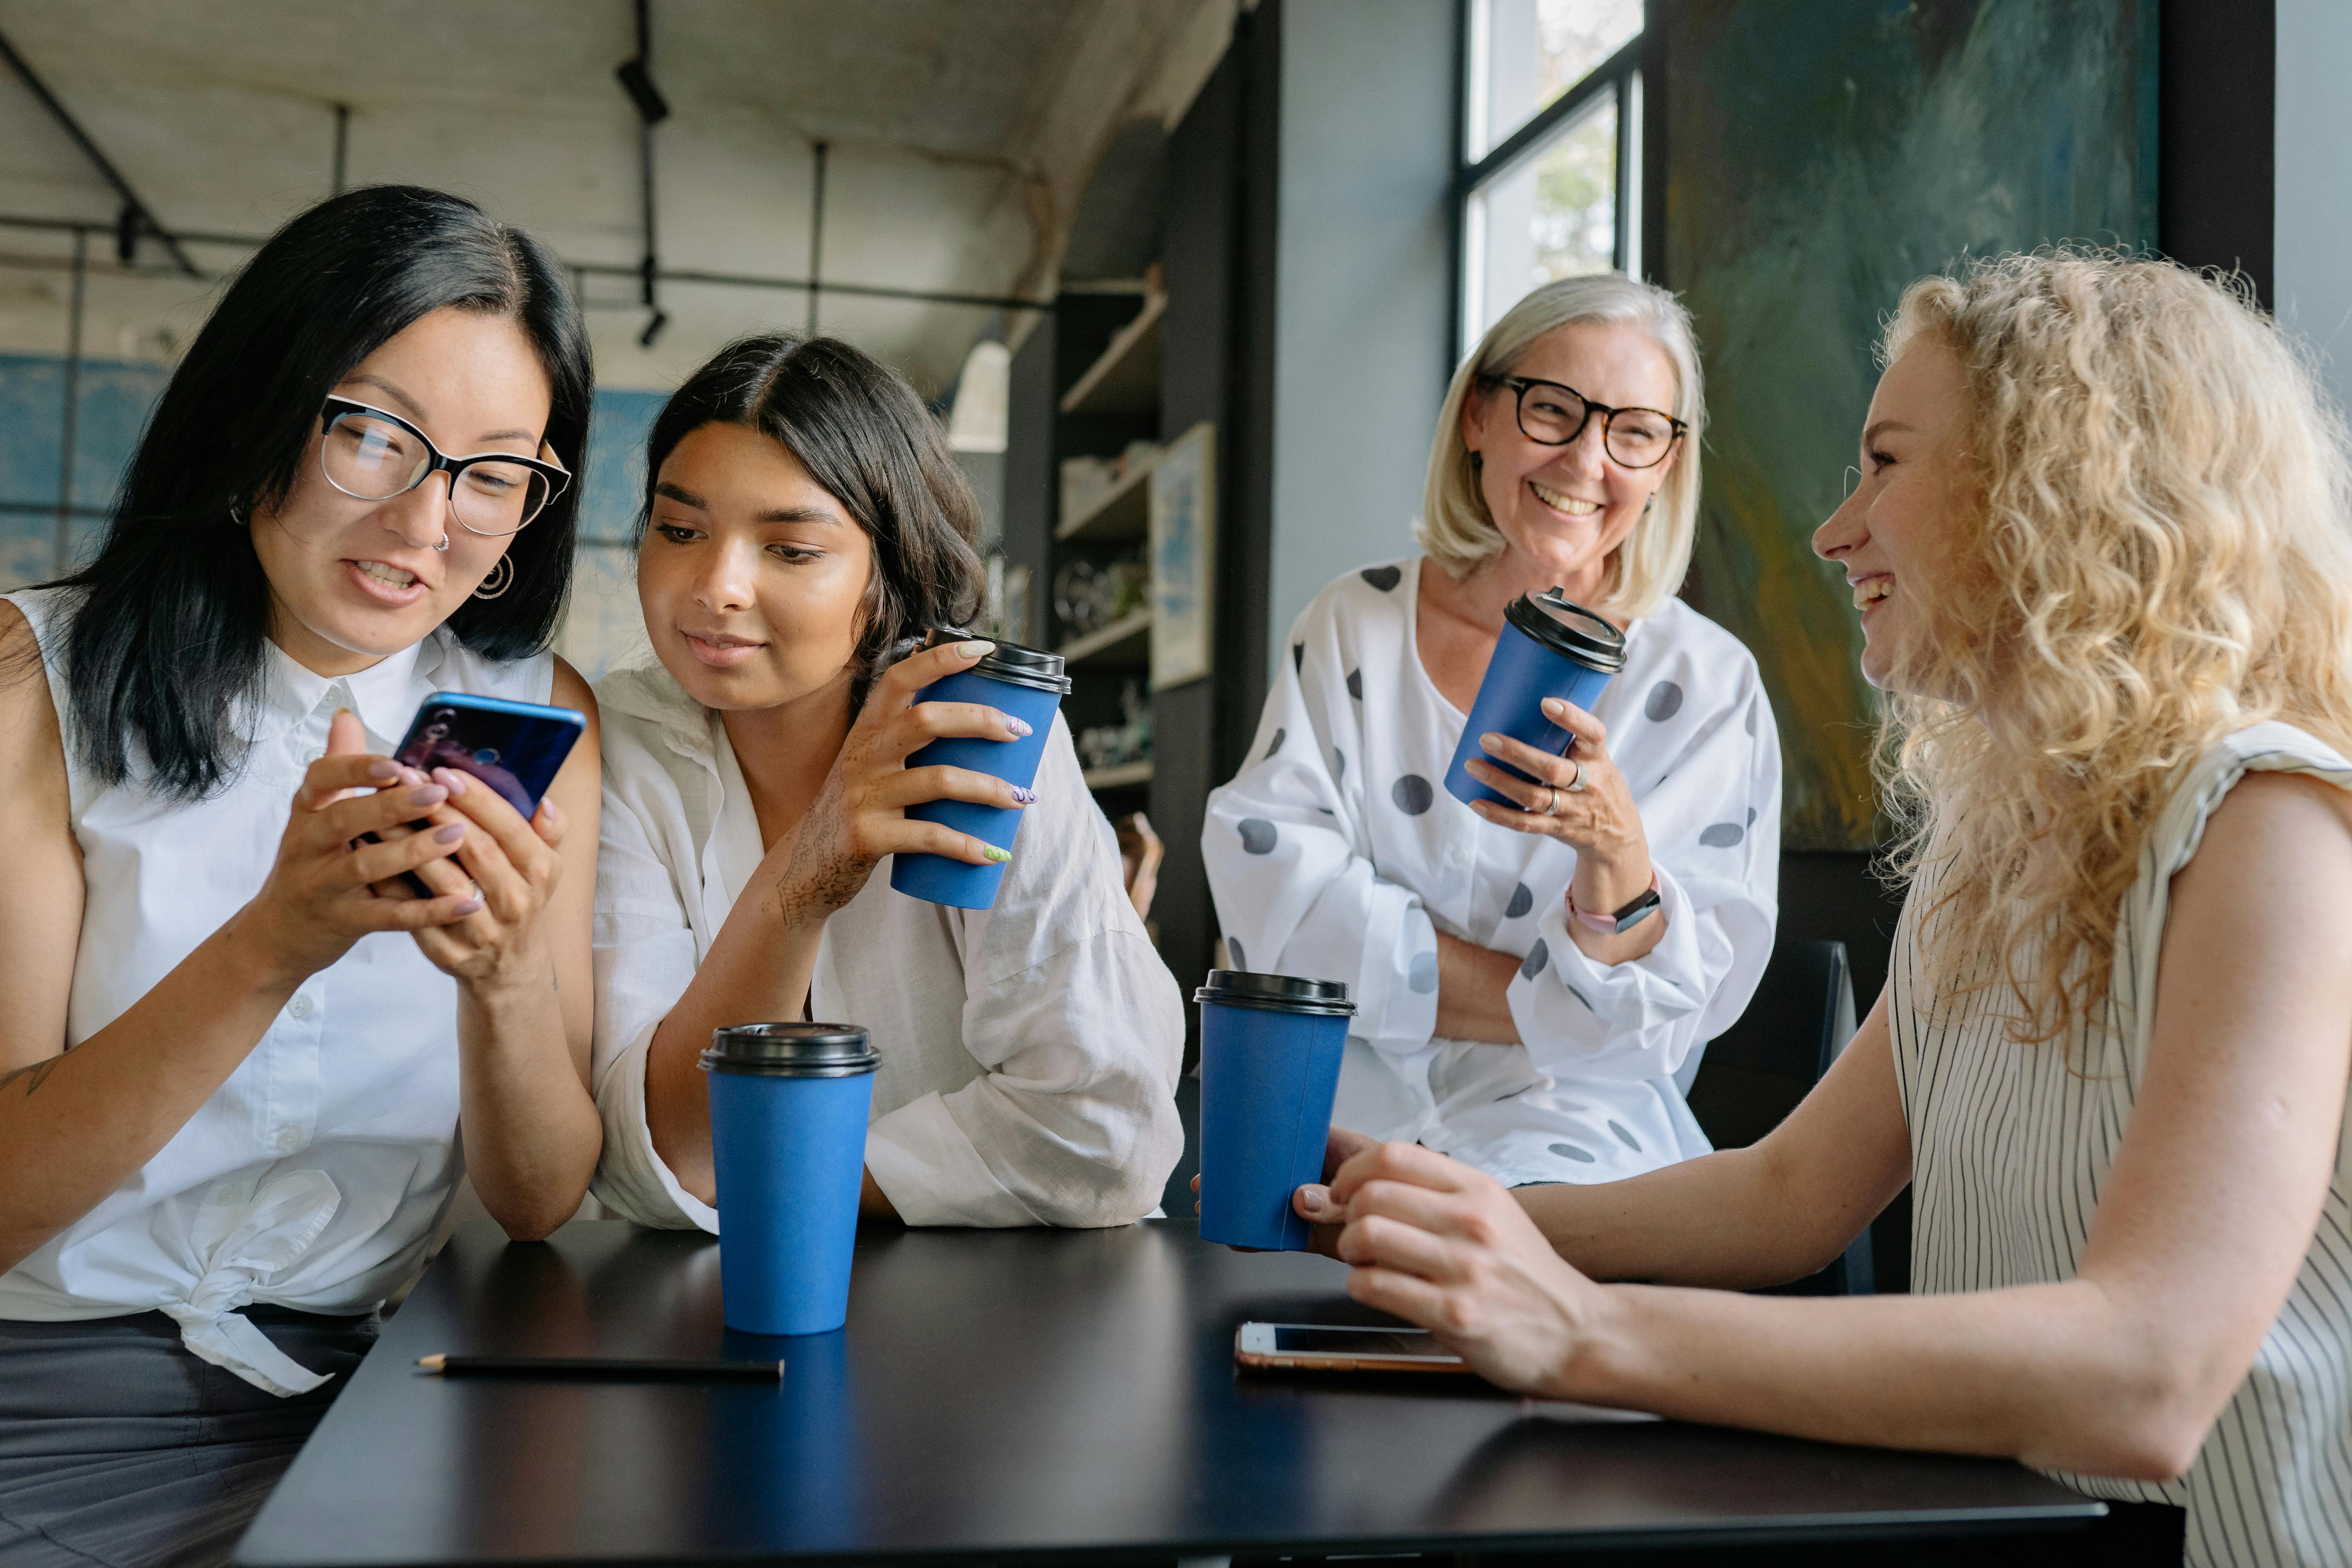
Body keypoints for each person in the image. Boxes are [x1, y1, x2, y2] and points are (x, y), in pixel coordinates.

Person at [1301, 252, 2352, 1568]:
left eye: (1887, 465)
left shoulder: (2270, 821)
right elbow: (1788, 1196)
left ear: (2053, 488)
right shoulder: (1992, 832)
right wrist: (1428, 1219)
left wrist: (1578, 1330)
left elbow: (2149, 1371)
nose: (1832, 528)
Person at [0, 186, 603, 1568]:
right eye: (372, 434)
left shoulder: (532, 713)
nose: (425, 517)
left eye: (493, 471)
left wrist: (509, 981)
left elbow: (538, 1198)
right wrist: (269, 947)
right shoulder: (34, 677)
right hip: (45, 1391)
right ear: (259, 414)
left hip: (382, 1394)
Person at [590, 333, 1183, 1232]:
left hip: (1007, 1314)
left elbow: (1106, 1133)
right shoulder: (619, 741)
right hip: (713, 1315)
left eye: (790, 550)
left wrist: (776, 1179)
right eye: (680, 531)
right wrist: (803, 883)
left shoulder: (986, 728)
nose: (718, 586)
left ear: (888, 567)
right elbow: (652, 1159)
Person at [1202, 274, 1780, 1189]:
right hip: (1330, 1105)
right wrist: (1566, 1002)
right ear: (1479, 416)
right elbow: (1275, 897)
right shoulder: (1356, 624)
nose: (1588, 461)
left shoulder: (1706, 685)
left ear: (1666, 463)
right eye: (1553, 410)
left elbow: (1677, 1001)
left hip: (1575, 1135)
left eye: (1633, 431)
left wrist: (1614, 851)